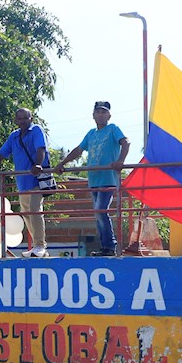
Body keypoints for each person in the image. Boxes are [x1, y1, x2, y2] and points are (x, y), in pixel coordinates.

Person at [55, 101, 130, 257]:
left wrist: (120, 161)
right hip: (94, 180)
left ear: (109, 115)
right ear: (93, 115)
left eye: (104, 112)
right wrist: (62, 163)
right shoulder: (91, 134)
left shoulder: (113, 129)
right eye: (98, 112)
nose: (101, 115)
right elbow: (78, 150)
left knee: (101, 211)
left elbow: (125, 142)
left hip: (108, 178)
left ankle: (110, 246)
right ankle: (105, 247)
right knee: (98, 213)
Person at [0, 107, 53, 258]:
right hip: (22, 182)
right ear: (16, 120)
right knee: (26, 214)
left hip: (36, 179)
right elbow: (1, 154)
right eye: (20, 118)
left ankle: (40, 245)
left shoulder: (36, 130)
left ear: (31, 119)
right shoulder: (14, 136)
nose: (23, 121)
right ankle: (38, 246)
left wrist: (38, 164)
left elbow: (41, 149)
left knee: (35, 211)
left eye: (26, 118)